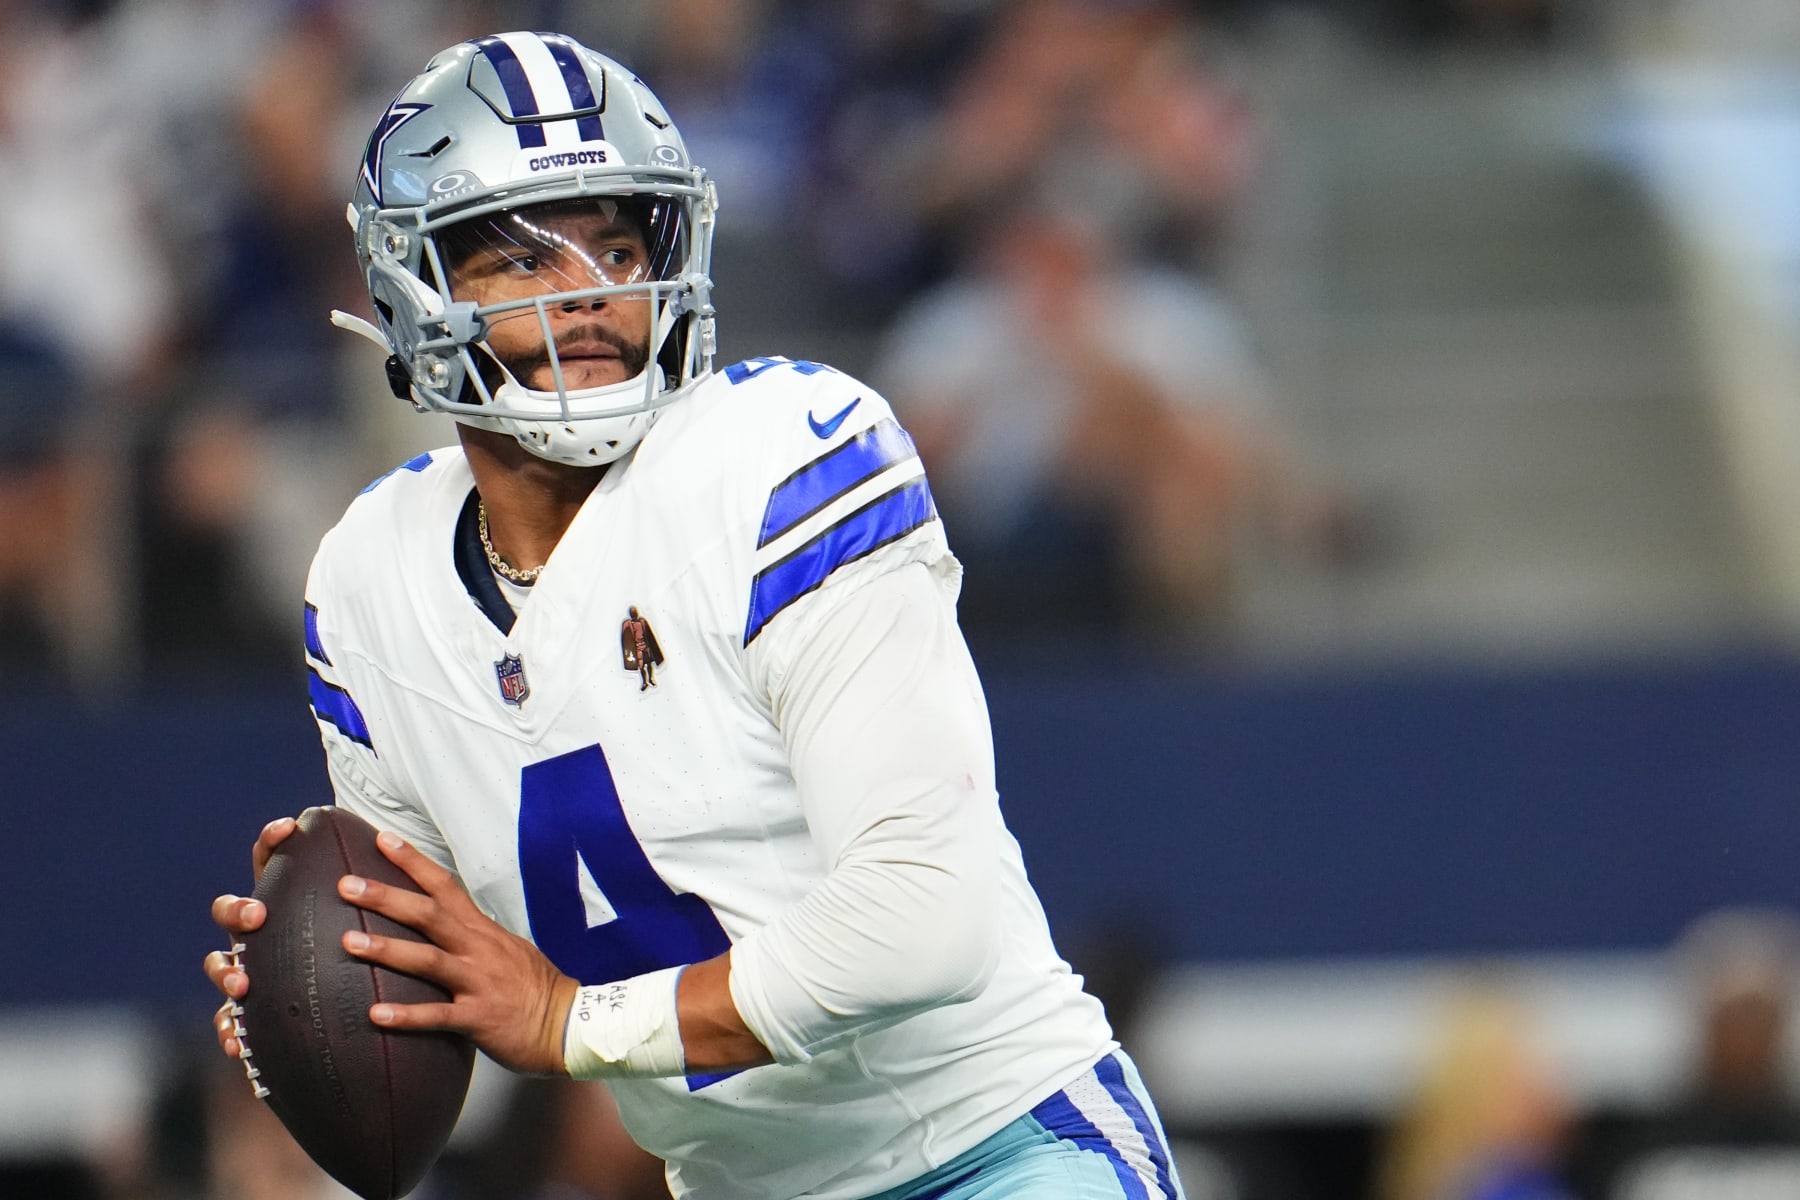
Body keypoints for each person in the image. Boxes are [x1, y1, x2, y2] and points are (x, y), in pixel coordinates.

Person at [201, 30, 1181, 1200]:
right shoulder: (371, 581)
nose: (591, 290)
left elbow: (926, 919)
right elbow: (461, 988)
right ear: (415, 289)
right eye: (524, 257)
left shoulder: (778, 458)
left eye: (617, 246)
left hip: (993, 1147)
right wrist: (326, 996)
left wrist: (570, 1023)